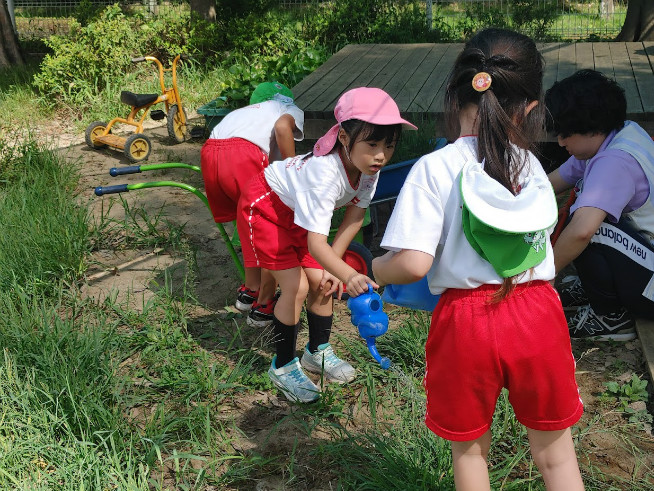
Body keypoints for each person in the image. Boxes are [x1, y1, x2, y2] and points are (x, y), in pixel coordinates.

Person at [372, 29, 584, 490]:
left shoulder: (434, 167)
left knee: (470, 454)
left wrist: (376, 269)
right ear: (530, 107)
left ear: (454, 94)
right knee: (557, 458)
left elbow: (411, 264)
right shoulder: (531, 168)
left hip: (466, 321)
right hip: (537, 313)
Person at [238, 87, 416, 403]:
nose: (381, 155)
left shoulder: (367, 169)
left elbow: (355, 217)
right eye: (372, 144)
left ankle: (316, 351)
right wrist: (348, 273)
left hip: (298, 214)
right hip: (266, 207)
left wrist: (334, 268)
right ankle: (282, 366)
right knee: (296, 287)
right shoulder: (325, 174)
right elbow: (317, 243)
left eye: (389, 146)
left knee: (322, 282)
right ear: (345, 138)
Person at [545, 69, 654, 341]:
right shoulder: (618, 134)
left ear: (589, 127)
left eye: (565, 134)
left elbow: (582, 231)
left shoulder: (614, 161)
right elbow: (554, 182)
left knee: (585, 226)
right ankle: (599, 289)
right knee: (583, 215)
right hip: (646, 256)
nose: (560, 142)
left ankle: (611, 317)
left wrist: (542, 278)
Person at [201, 82, 304, 328]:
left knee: (248, 220)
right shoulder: (287, 108)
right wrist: (293, 172)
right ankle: (264, 303)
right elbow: (282, 128)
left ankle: (250, 290)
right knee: (270, 224)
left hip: (210, 151)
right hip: (243, 153)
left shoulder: (244, 114)